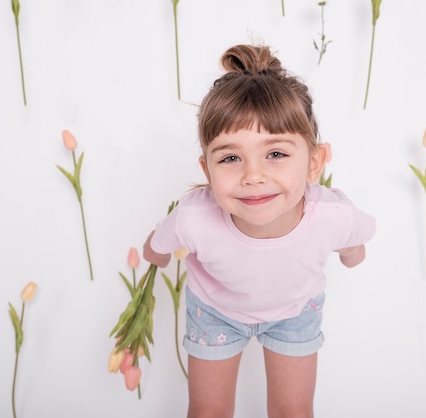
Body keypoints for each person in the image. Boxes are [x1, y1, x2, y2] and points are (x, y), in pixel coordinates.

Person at [143, 44, 376, 418]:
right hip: (216, 312)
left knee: (293, 411)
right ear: (207, 171)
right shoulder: (194, 218)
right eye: (231, 158)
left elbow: (355, 244)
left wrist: (349, 252)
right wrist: (156, 254)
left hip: (295, 312)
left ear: (314, 162)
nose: (253, 176)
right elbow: (155, 246)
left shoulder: (333, 216)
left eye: (276, 154)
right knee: (208, 411)